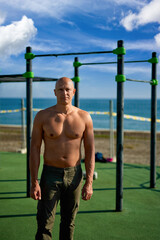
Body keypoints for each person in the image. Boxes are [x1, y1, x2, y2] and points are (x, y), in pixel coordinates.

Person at [30, 77, 95, 240]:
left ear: (73, 92)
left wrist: (89, 183)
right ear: (54, 92)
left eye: (67, 89)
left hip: (75, 174)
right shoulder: (42, 116)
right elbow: (35, 149)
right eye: (60, 89)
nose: (64, 92)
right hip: (50, 174)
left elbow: (90, 150)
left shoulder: (84, 117)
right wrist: (34, 182)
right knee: (44, 223)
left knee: (69, 223)